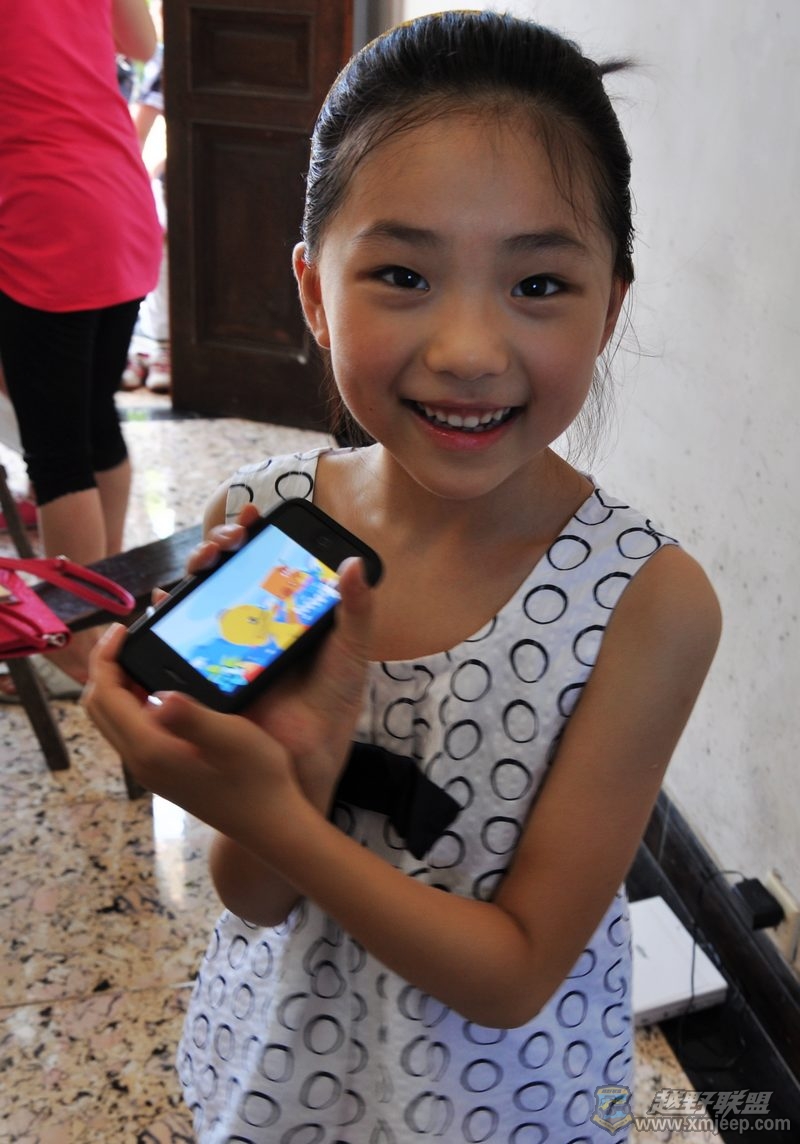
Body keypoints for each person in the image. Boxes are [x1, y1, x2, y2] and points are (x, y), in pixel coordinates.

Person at [85, 12, 722, 1141]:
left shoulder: (643, 602)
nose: (469, 350)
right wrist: (282, 780)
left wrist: (281, 817)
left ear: (610, 307)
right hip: (285, 1071)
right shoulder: (265, 520)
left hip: (500, 1103)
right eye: (400, 274)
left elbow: (514, 975)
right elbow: (251, 893)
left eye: (538, 283)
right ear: (313, 293)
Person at [0, 0, 162, 684]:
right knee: (92, 419)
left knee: (57, 450)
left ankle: (76, 646)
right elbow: (142, 41)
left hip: (43, 215)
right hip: (117, 199)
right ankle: (106, 596)